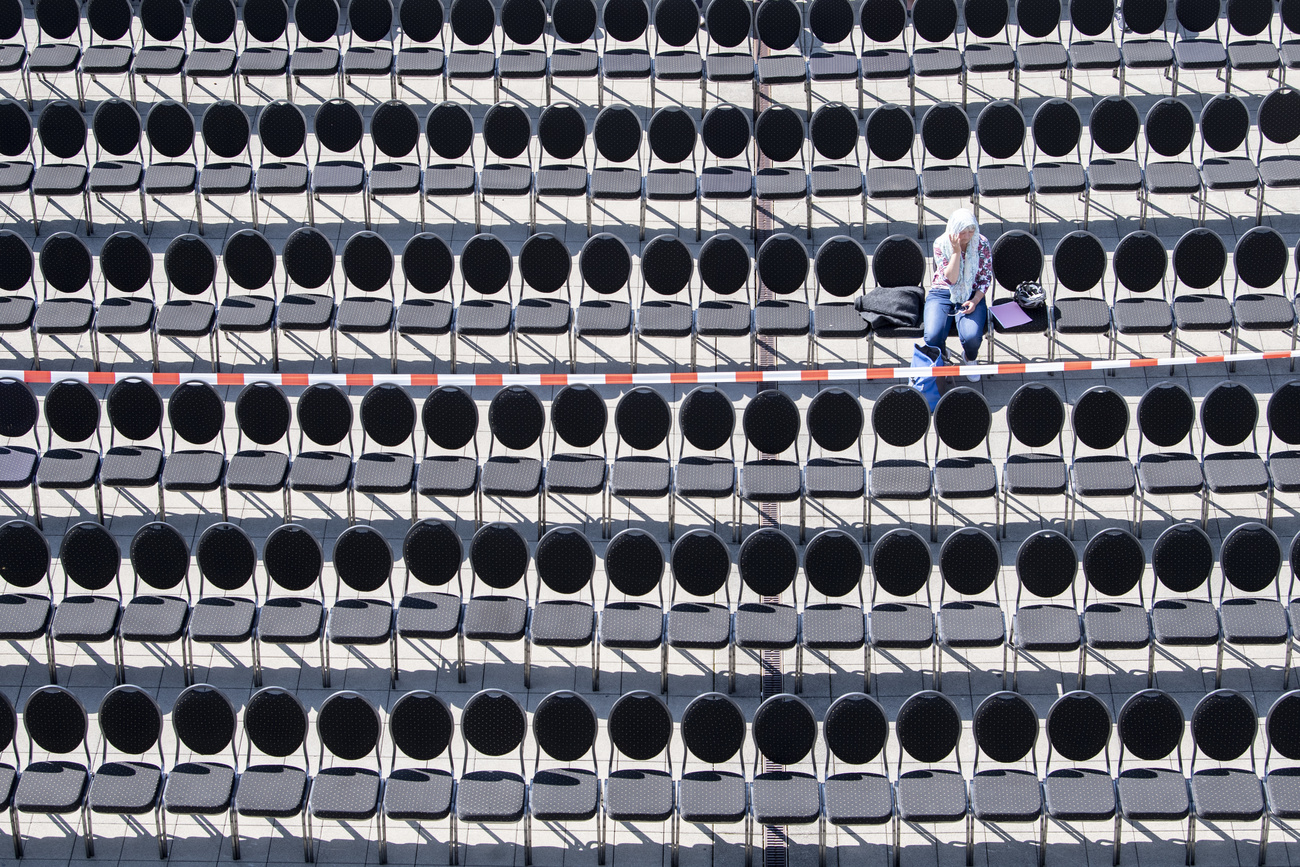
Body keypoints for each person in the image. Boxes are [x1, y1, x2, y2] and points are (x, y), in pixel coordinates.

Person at [923, 208, 991, 382]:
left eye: (971, 230)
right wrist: (956, 252)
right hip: (943, 291)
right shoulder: (941, 243)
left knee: (971, 337)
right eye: (963, 232)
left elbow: (985, 278)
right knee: (932, 336)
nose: (968, 236)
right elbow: (951, 279)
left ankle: (969, 357)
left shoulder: (981, 243)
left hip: (970, 292)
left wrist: (975, 301)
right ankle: (943, 355)